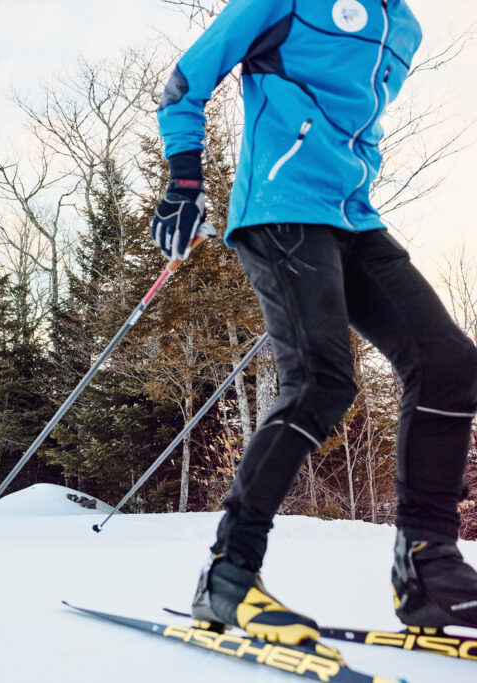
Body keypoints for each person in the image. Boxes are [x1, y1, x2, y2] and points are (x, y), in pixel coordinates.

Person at [152, 0, 477, 651]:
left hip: (354, 216)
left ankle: (427, 570)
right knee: (322, 378)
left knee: (449, 364)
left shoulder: (403, 26)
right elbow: (187, 79)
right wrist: (184, 180)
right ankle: (229, 572)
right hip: (281, 203)